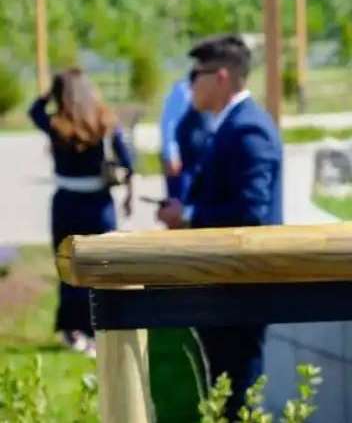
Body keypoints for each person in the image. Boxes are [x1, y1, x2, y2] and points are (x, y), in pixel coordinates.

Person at [157, 34, 283, 417]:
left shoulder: (249, 129)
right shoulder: (228, 125)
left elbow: (252, 211)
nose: (190, 84)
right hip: (226, 281)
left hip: (242, 284)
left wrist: (190, 216)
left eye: (197, 74)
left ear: (222, 77)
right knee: (223, 392)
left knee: (237, 395)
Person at [28, 69, 135, 357]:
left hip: (66, 202)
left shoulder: (57, 124)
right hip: (99, 203)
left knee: (69, 264)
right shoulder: (104, 121)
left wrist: (49, 93)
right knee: (100, 267)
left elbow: (33, 111)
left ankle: (72, 328)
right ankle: (98, 325)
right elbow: (128, 158)